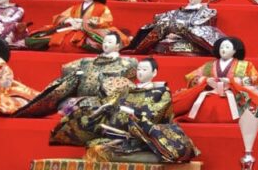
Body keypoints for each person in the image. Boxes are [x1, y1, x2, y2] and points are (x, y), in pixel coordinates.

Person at [52, 57, 199, 164]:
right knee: (93, 141)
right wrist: (102, 108)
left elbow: (154, 114)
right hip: (120, 132)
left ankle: (149, 156)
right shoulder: (127, 90)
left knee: (103, 150)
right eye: (139, 69)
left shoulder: (161, 92)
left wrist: (131, 113)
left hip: (144, 135)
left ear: (154, 73)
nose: (140, 73)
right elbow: (109, 102)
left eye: (145, 70)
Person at [16, 32, 137, 117]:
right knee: (64, 101)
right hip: (81, 97)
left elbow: (125, 84)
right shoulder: (87, 61)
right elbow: (67, 69)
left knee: (84, 105)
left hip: (103, 100)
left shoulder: (126, 63)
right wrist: (78, 74)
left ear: (117, 46)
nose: (106, 44)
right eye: (104, 41)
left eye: (110, 42)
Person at [125, 0, 227, 56]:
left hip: (192, 42)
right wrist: (168, 27)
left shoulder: (208, 12)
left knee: (195, 30)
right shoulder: (179, 10)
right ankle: (138, 48)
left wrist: (177, 31)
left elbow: (198, 25)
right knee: (161, 23)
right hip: (172, 38)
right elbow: (162, 18)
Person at [25, 0, 130, 53]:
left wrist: (86, 22)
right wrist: (68, 20)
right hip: (73, 28)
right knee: (44, 38)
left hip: (91, 30)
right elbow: (61, 16)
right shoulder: (76, 7)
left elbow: (107, 20)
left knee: (101, 43)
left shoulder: (102, 7)